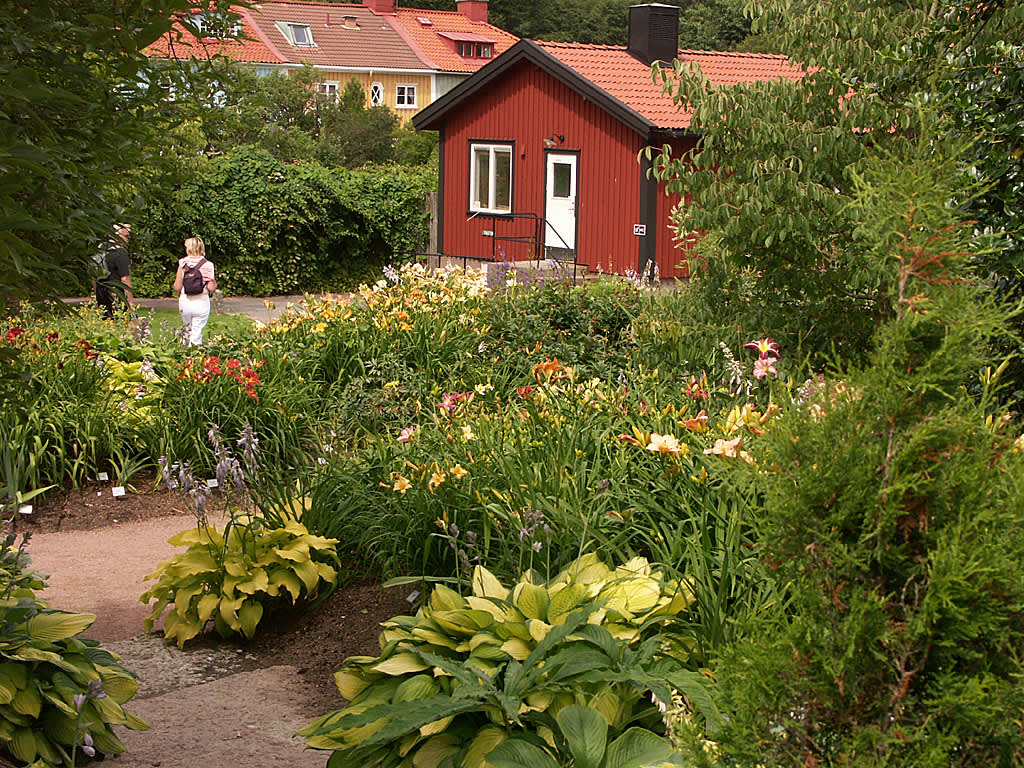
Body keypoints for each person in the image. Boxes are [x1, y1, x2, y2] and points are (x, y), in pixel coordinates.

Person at [173, 236, 217, 346]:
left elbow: (177, 287)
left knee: (187, 328)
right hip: (201, 301)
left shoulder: (182, 263)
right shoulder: (208, 264)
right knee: (197, 330)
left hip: (185, 301)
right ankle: (194, 355)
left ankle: (182, 351)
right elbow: (211, 288)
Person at [93, 223, 134, 318]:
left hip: (102, 295)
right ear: (117, 236)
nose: (128, 240)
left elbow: (94, 276)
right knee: (122, 327)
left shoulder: (100, 249)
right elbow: (125, 278)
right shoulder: (120, 252)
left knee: (106, 326)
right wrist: (131, 302)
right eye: (126, 236)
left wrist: (97, 295)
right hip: (117, 296)